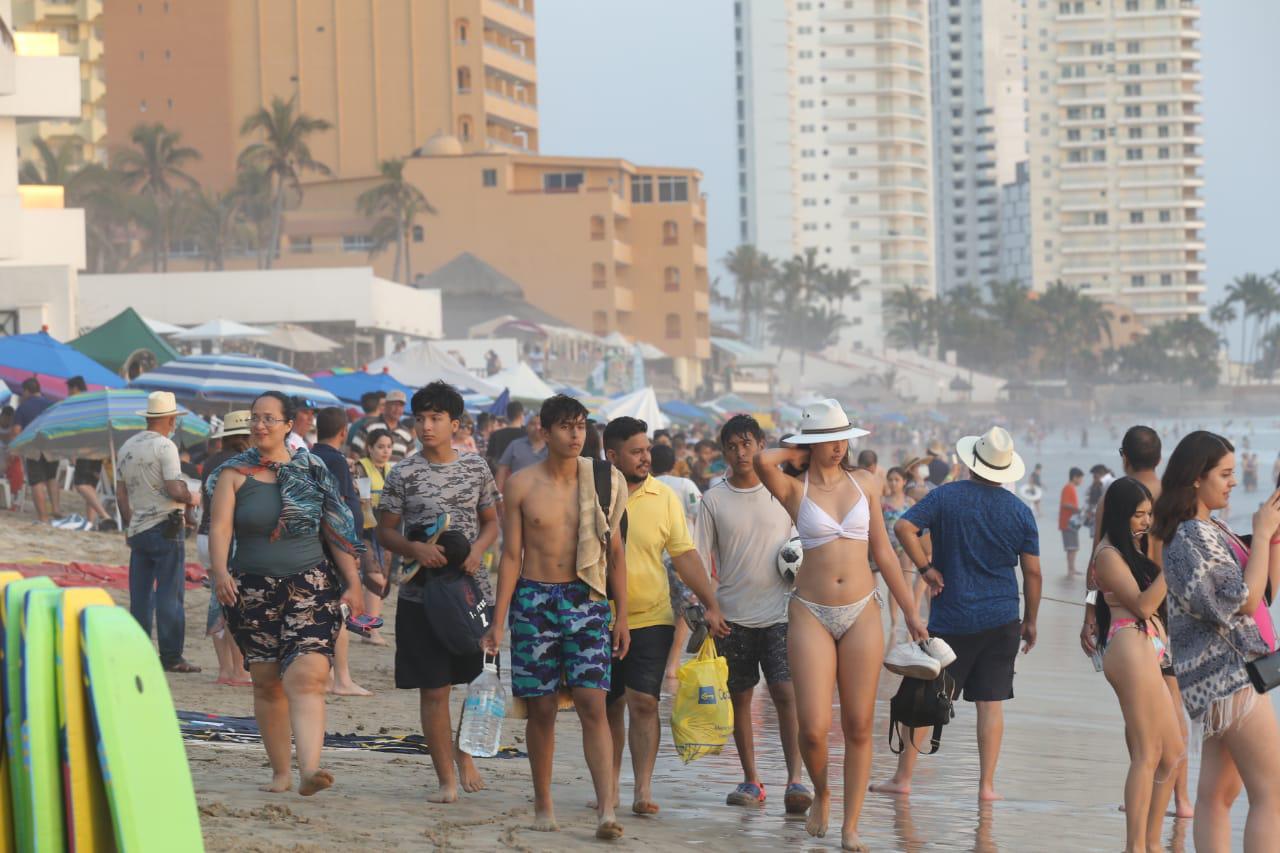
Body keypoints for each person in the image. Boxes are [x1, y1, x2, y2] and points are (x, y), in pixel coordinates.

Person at [755, 400, 926, 849]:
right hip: (810, 610)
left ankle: (851, 826)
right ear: (811, 444)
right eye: (827, 440)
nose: (837, 447)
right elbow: (761, 460)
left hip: (861, 609)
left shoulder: (865, 482)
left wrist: (909, 611)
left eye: (841, 439)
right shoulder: (795, 487)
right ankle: (823, 792)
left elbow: (885, 553)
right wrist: (796, 451)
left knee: (858, 722)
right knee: (812, 728)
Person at [483, 395, 630, 839]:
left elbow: (616, 555)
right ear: (543, 433)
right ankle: (543, 805)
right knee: (541, 708)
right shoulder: (522, 485)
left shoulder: (604, 480)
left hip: (587, 598)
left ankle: (607, 808)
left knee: (593, 703)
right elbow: (511, 556)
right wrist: (498, 619)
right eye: (565, 427)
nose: (575, 435)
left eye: (581, 426)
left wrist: (621, 615)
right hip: (534, 600)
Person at [207, 391, 365, 796]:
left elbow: (336, 528)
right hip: (252, 588)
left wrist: (354, 583)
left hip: (310, 584)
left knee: (309, 676)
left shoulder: (312, 469)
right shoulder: (232, 474)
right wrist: (220, 571)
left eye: (269, 419)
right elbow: (221, 528)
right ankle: (281, 772)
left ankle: (310, 769)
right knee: (266, 681)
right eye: (255, 418)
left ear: (288, 425)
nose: (260, 426)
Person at [873, 425, 1040, 803]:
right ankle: (986, 787)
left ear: (972, 462)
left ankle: (903, 778)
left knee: (925, 694)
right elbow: (1033, 572)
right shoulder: (1020, 512)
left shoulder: (946, 496)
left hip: (953, 619)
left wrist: (925, 568)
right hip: (1002, 619)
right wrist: (1030, 619)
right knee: (991, 703)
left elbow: (903, 527)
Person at [1154, 432, 1280, 852]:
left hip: (1218, 680)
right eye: (1224, 474)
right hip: (1231, 678)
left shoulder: (1209, 529)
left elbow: (1263, 594)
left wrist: (1272, 538)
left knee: (1217, 797)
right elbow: (1241, 602)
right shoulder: (1192, 537)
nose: (1232, 482)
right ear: (1195, 477)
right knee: (1271, 795)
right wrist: (1260, 537)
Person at [598, 416, 729, 816]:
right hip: (595, 616)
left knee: (643, 702)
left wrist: (711, 601)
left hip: (651, 615)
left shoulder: (664, 496)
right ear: (612, 455)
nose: (645, 457)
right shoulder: (595, 494)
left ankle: (641, 789)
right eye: (636, 451)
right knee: (607, 706)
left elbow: (684, 555)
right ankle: (609, 789)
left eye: (647, 450)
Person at [377, 381, 500, 803]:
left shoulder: (475, 468)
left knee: (475, 682)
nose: (426, 427)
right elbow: (385, 530)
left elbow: (491, 521)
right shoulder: (403, 472)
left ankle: (466, 753)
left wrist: (478, 552)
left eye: (435, 419)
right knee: (433, 688)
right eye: (420, 419)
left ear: (455, 424)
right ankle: (445, 778)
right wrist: (413, 548)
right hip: (419, 596)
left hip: (469, 594)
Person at [695, 415, 812, 814]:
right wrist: (708, 608)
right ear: (724, 451)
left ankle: (796, 779)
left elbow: (809, 544)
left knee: (786, 694)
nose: (741, 452)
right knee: (741, 698)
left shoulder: (784, 491)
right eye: (732, 446)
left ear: (761, 445)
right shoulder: (714, 499)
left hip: (782, 612)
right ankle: (751, 779)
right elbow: (698, 557)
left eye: (748, 443)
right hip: (732, 616)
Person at [1079, 425, 1193, 818]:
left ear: (1124, 455)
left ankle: (1146, 799)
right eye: (1140, 517)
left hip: (1142, 618)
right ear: (1159, 457)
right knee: (1165, 716)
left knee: (1149, 726)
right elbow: (1106, 563)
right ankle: (1178, 801)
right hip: (1160, 617)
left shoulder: (1116, 496)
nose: (1144, 521)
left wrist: (1089, 613)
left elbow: (1095, 564)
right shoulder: (1174, 500)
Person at [1093, 477, 1184, 853]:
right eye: (1138, 514)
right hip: (1129, 646)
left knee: (1173, 753)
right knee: (1148, 752)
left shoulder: (1130, 548)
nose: (1145, 521)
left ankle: (1150, 841)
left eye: (1149, 514)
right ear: (1120, 514)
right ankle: (1136, 846)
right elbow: (1143, 605)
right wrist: (1171, 568)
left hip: (1146, 646)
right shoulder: (1107, 554)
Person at [116, 391, 201, 673]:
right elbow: (173, 488)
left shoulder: (127, 446)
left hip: (139, 528)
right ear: (169, 419)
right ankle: (171, 657)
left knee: (140, 595)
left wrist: (130, 524)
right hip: (166, 525)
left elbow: (121, 493)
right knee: (169, 593)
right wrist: (193, 497)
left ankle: (138, 651)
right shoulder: (165, 447)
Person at [309, 407, 371, 697]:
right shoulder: (334, 461)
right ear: (344, 432)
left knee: (323, 610)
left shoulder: (309, 456)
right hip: (334, 548)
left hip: (315, 545)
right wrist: (350, 547)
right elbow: (339, 510)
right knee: (340, 612)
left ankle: (331, 675)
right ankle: (341, 680)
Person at [198, 410, 251, 686]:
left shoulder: (211, 462)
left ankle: (224, 670)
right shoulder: (240, 464)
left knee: (216, 599)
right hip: (227, 538)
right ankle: (238, 670)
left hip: (204, 536)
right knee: (232, 601)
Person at [652, 443, 702, 680]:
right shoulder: (685, 485)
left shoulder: (647, 485)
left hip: (653, 557)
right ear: (674, 464)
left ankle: (659, 660)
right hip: (681, 556)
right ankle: (672, 664)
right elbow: (699, 513)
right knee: (683, 610)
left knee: (660, 608)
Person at [355, 430, 394, 645]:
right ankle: (370, 630)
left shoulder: (392, 470)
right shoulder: (361, 468)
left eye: (388, 446)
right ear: (370, 448)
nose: (385, 451)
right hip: (366, 530)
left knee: (383, 581)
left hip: (386, 531)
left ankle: (370, 629)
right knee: (374, 579)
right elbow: (364, 500)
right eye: (380, 446)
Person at [10, 377, 59, 524]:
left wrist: (17, 449)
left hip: (33, 447)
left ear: (26, 390)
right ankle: (56, 510)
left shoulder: (23, 407)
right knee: (51, 478)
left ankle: (43, 517)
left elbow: (16, 431)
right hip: (52, 445)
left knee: (36, 481)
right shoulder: (52, 405)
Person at [64, 375, 110, 531]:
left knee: (81, 484)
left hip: (87, 448)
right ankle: (90, 522)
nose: (68, 393)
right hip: (99, 447)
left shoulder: (79, 401)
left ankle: (105, 516)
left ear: (75, 388)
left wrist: (74, 451)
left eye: (69, 390)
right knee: (90, 485)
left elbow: (78, 428)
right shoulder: (93, 400)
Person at [882, 466, 922, 639]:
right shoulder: (882, 502)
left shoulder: (909, 502)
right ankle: (893, 622)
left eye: (897, 480)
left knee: (906, 583)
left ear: (904, 482)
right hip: (889, 547)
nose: (893, 483)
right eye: (890, 480)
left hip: (906, 547)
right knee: (893, 584)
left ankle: (910, 619)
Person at [350, 389, 413, 462]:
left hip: (396, 473)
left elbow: (412, 459)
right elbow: (354, 452)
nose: (397, 409)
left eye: (401, 406)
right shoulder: (369, 425)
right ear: (386, 405)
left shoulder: (406, 433)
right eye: (394, 404)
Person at [496, 414, 547, 491]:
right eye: (533, 424)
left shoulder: (554, 448)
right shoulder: (515, 445)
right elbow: (502, 470)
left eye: (541, 424)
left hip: (545, 497)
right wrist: (498, 496)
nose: (537, 427)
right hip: (516, 495)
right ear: (526, 427)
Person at [485, 401, 526, 469]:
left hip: (499, 473)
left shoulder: (496, 434)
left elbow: (489, 458)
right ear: (522, 415)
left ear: (507, 415)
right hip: (521, 473)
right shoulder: (527, 435)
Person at [1060, 468, 1085, 576]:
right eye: (1080, 478)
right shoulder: (1068, 488)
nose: (1081, 481)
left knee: (1073, 547)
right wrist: (1078, 509)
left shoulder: (1071, 488)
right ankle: (1071, 570)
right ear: (1075, 477)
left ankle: (1072, 569)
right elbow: (1065, 504)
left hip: (1071, 522)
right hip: (1068, 522)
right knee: (1071, 547)